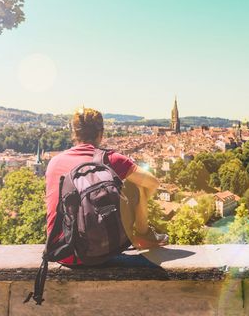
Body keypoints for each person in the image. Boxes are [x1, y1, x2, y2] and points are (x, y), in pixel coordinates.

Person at [45, 107, 168, 265]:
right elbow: (153, 183)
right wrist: (136, 206)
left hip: (62, 253)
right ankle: (144, 235)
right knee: (138, 185)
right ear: (101, 133)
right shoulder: (111, 159)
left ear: (74, 134)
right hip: (99, 251)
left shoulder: (54, 162)